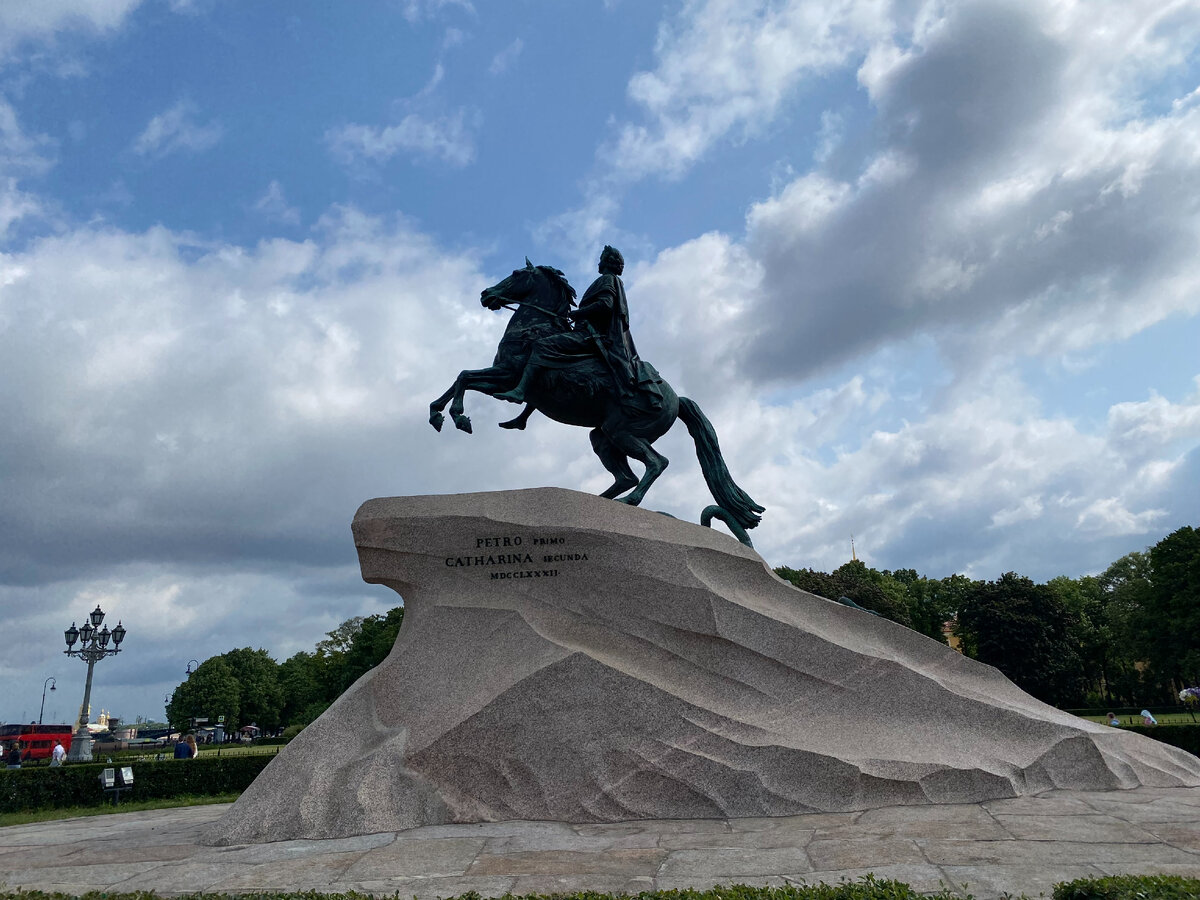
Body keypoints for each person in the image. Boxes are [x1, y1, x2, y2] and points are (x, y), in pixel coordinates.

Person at [496, 245, 642, 410]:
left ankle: (520, 391)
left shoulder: (607, 279)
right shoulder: (612, 280)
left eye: (601, 258)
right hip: (588, 333)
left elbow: (605, 305)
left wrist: (578, 314)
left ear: (607, 262)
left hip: (589, 336)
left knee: (542, 346)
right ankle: (524, 414)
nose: (599, 262)